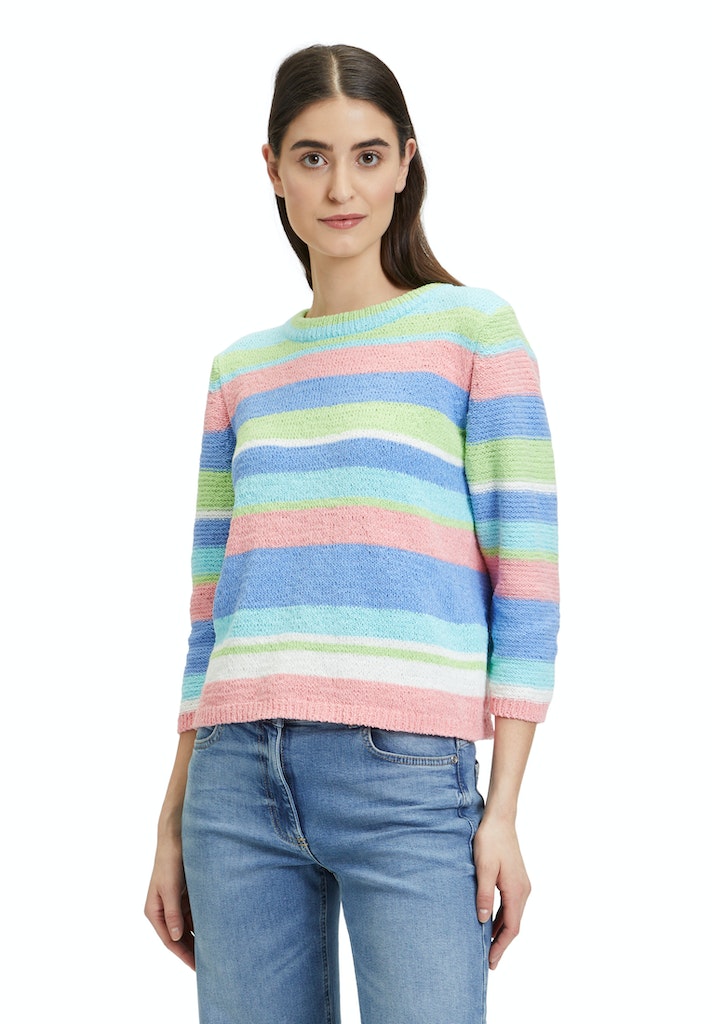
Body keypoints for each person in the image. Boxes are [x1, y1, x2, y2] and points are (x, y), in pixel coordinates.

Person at [145, 43, 559, 1024]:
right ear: (273, 169)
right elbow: (211, 614)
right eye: (313, 157)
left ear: (406, 162)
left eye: (368, 156)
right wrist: (170, 816)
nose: (341, 187)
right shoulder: (240, 370)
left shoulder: (472, 332)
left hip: (406, 778)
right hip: (233, 780)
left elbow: (527, 581)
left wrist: (503, 809)